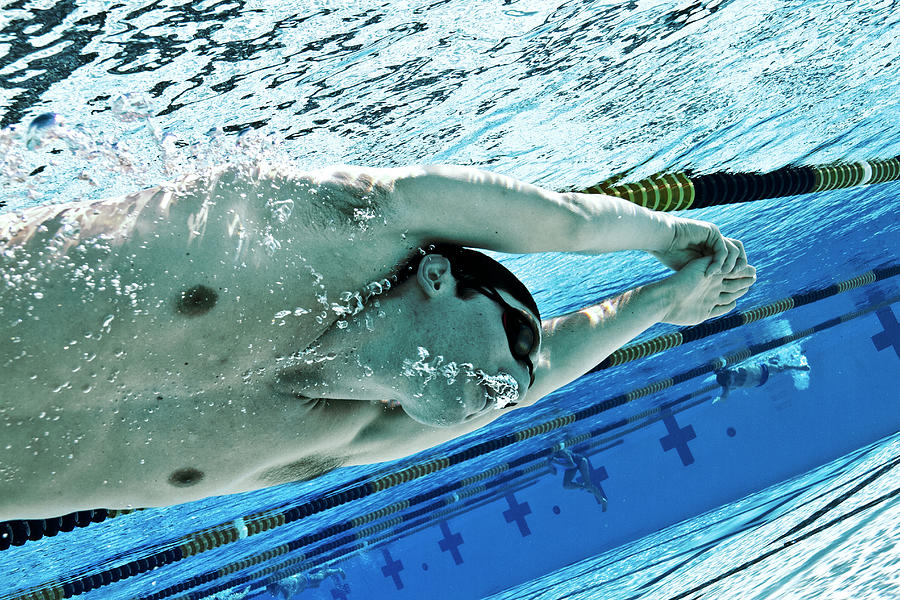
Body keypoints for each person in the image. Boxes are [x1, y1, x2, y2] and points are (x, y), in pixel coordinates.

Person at [0, 163, 755, 520]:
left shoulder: (358, 430)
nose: (516, 377)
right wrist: (667, 236)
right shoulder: (341, 233)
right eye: (518, 335)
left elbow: (551, 366)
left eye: (522, 370)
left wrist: (660, 303)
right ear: (438, 277)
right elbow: (565, 224)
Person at [713, 352, 810, 402]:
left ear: (729, 373)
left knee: (778, 368)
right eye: (730, 383)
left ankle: (798, 367)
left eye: (731, 380)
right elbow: (725, 395)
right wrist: (720, 398)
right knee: (775, 370)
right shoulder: (726, 386)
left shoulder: (733, 369)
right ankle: (779, 362)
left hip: (762, 369)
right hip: (761, 380)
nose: (734, 381)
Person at [267, 568, 345, 599]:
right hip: (301, 586)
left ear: (275, 587)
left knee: (322, 577)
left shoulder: (284, 590)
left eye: (272, 592)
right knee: (316, 585)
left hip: (306, 579)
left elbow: (288, 596)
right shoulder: (280, 581)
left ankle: (338, 570)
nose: (272, 595)